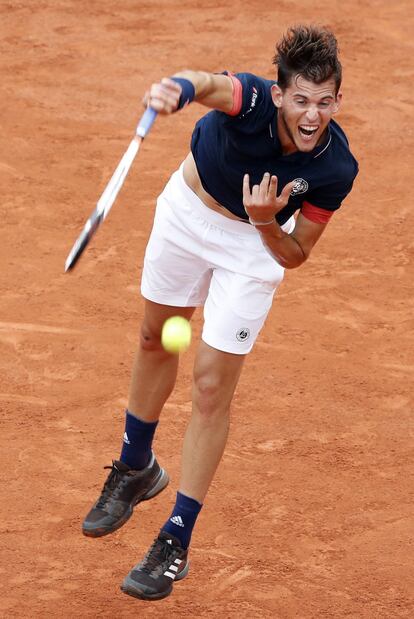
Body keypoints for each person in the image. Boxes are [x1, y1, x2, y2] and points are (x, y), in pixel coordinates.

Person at [82, 24, 358, 601]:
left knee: (210, 386)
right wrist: (175, 90)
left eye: (325, 101)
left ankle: (176, 539)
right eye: (302, 99)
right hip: (187, 214)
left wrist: (263, 221)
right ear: (280, 95)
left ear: (338, 100)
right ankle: (136, 467)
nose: (313, 115)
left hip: (253, 249)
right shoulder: (253, 98)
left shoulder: (335, 169)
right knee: (157, 338)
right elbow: (209, 84)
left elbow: (297, 252)